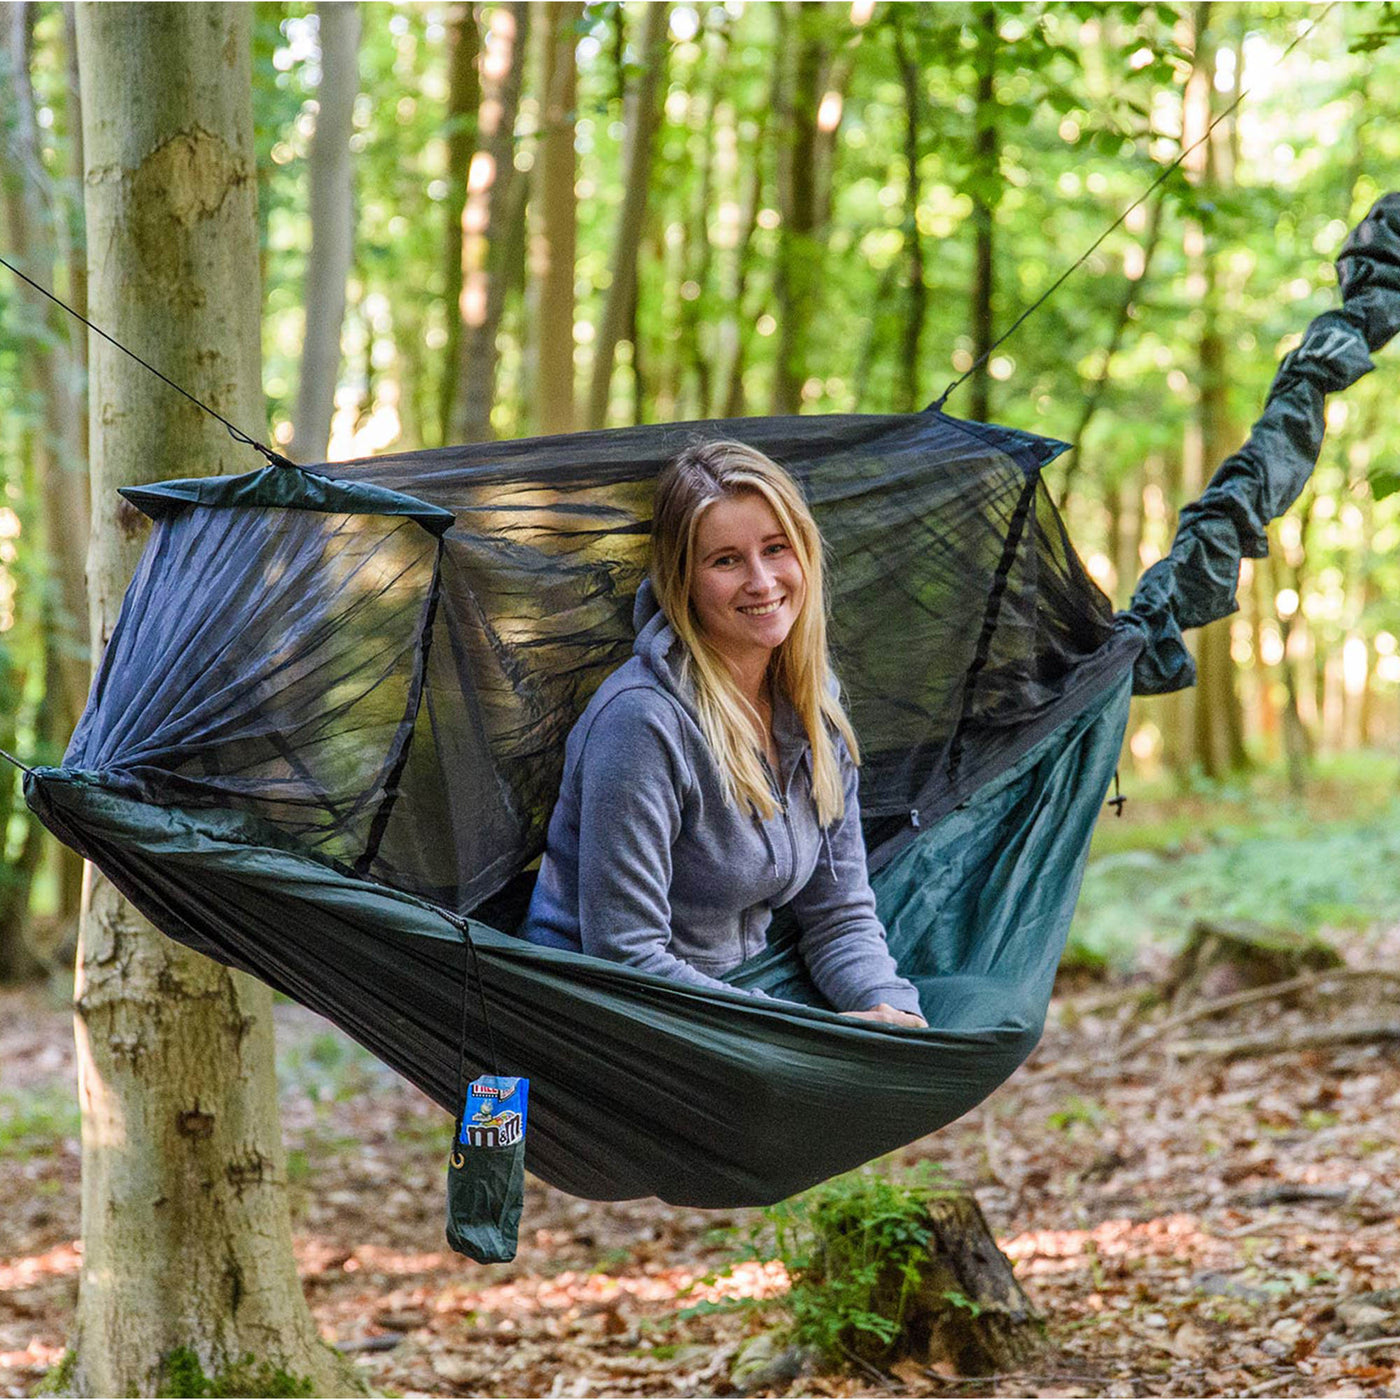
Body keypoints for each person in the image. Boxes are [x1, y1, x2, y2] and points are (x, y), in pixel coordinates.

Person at [520, 440, 926, 1028]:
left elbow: (838, 912)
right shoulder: (642, 724)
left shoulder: (814, 703)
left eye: (775, 548)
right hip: (600, 1019)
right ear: (682, 581)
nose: (762, 581)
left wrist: (891, 1011)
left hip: (735, 999)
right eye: (726, 561)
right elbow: (626, 956)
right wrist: (810, 1035)